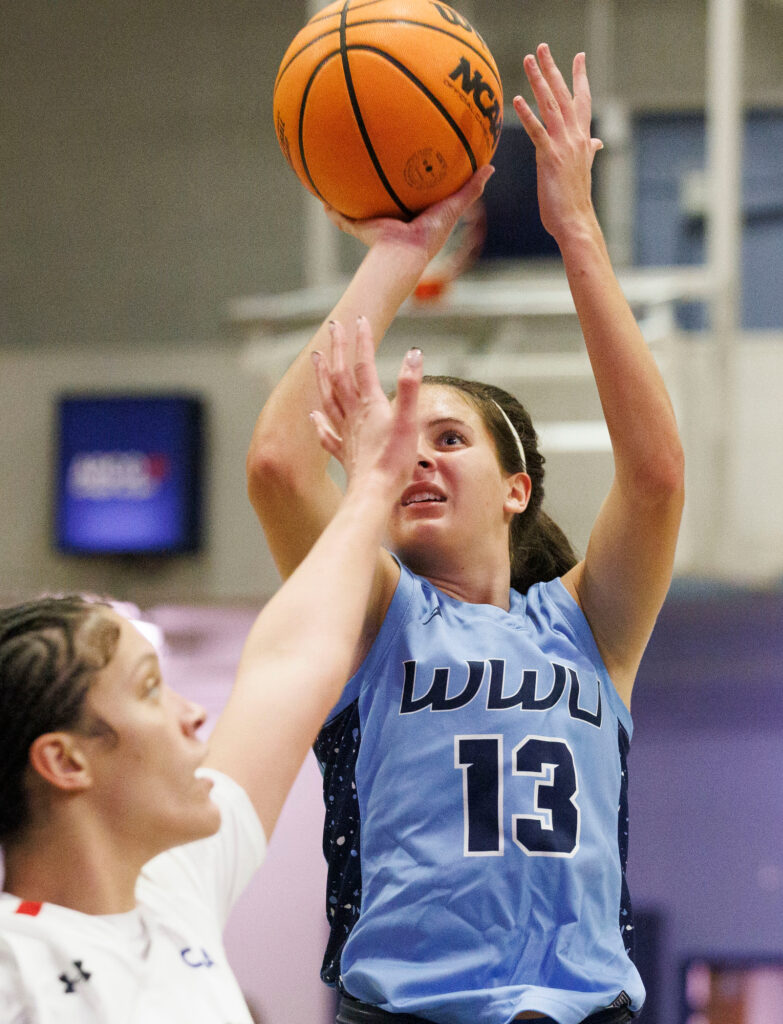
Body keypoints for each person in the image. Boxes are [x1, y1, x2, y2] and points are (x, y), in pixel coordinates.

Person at [246, 45, 684, 1024]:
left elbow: (654, 477)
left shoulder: (587, 626)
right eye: (401, 443)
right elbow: (278, 463)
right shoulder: (372, 616)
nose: (420, 459)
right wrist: (404, 250)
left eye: (449, 438)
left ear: (518, 487)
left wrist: (577, 229)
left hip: (585, 1008)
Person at [0, 329, 425, 1022]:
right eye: (146, 688)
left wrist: (373, 486)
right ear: (64, 760)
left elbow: (293, 660)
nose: (193, 713)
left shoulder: (177, 894)